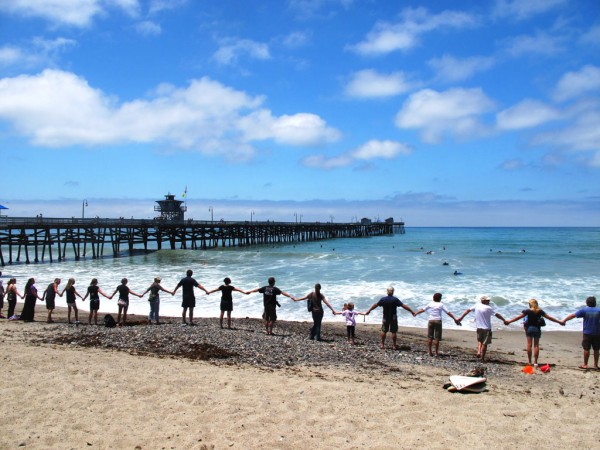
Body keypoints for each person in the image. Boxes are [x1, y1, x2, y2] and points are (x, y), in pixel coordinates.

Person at [505, 299, 564, 367]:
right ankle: (535, 362)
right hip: (537, 329)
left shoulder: (528, 311)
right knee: (536, 345)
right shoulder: (540, 311)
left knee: (529, 345)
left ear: (530, 304)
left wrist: (509, 321)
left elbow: (518, 317)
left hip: (529, 329)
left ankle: (530, 362)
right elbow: (549, 318)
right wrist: (559, 322)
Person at [457, 296, 508, 362]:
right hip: (487, 328)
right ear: (483, 301)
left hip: (479, 327)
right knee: (485, 343)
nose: (489, 301)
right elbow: (497, 315)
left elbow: (468, 310)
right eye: (487, 300)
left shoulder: (477, 305)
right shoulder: (488, 308)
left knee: (480, 340)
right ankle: (482, 358)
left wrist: (461, 318)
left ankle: (478, 352)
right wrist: (504, 320)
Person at [415, 292, 461, 357]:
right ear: (440, 298)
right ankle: (436, 353)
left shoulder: (430, 303)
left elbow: (423, 310)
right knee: (437, 338)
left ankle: (430, 352)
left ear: (433, 298)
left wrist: (416, 313)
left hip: (431, 320)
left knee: (430, 337)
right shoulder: (441, 304)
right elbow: (448, 312)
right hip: (438, 321)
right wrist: (454, 318)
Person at [561, 296, 600, 370]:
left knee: (586, 349)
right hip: (597, 332)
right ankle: (595, 365)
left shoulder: (584, 310)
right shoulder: (598, 310)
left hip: (587, 332)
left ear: (587, 303)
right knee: (596, 349)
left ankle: (585, 364)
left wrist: (564, 320)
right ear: (595, 303)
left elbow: (573, 315)